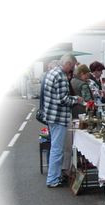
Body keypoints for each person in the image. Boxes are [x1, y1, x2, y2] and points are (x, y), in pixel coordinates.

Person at [42, 53, 83, 188]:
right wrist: (76, 99)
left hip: (51, 115)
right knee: (57, 149)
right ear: (68, 64)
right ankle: (53, 179)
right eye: (71, 68)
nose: (71, 71)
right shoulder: (60, 76)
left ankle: (53, 176)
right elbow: (63, 99)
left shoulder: (51, 72)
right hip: (59, 117)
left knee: (55, 147)